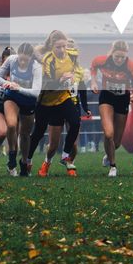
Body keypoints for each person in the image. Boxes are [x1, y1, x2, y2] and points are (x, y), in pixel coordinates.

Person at [31, 31, 84, 177]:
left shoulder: (75, 63)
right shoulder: (50, 60)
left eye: (66, 48)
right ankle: (47, 162)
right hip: (55, 101)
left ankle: (69, 162)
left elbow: (81, 79)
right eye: (60, 48)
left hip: (72, 102)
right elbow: (39, 56)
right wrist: (61, 79)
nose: (63, 51)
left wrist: (75, 78)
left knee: (73, 140)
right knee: (54, 143)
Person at [91, 40, 133, 178]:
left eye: (122, 57)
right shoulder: (102, 60)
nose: (119, 60)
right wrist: (93, 81)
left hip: (122, 99)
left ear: (126, 56)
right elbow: (93, 66)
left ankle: (108, 155)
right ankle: (113, 166)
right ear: (112, 53)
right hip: (106, 97)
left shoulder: (131, 66)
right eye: (116, 56)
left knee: (117, 142)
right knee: (108, 133)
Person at [0, 43, 40, 176]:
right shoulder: (11, 60)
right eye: (20, 59)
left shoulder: (36, 67)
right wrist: (7, 83)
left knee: (24, 134)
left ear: (31, 57)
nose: (22, 62)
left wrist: (20, 88)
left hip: (28, 100)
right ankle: (12, 156)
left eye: (26, 59)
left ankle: (24, 163)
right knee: (11, 125)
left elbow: (36, 92)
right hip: (12, 97)